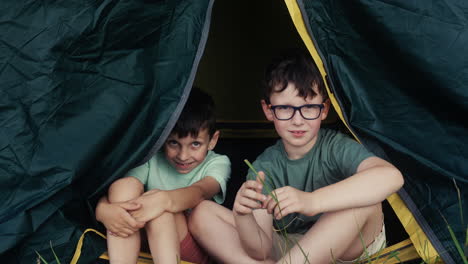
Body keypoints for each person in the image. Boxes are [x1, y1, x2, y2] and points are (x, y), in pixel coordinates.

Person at [189, 50, 404, 264]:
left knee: (365, 201)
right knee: (201, 213)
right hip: (295, 251)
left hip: (347, 248)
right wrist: (243, 217)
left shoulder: (335, 147)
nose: (297, 120)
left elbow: (391, 176)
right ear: (269, 110)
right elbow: (261, 250)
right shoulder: (265, 166)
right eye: (285, 108)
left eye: (309, 107)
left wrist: (312, 201)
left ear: (324, 109)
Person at [95, 87, 231, 264]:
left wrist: (163, 200)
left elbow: (201, 192)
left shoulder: (218, 163)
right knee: (124, 186)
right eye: (173, 143)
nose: (183, 156)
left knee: (162, 212)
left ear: (212, 140)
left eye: (195, 144)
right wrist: (103, 210)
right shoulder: (152, 158)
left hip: (191, 248)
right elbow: (122, 191)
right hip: (143, 238)